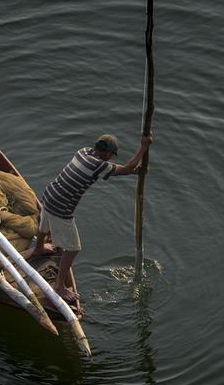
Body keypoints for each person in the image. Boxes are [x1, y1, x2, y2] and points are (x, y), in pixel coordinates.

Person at [28, 132, 151, 312]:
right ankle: (60, 286)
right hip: (61, 208)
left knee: (44, 225)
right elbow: (124, 168)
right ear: (107, 153)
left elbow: (121, 170)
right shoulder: (99, 165)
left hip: (49, 196)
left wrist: (137, 172)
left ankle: (39, 247)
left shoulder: (83, 152)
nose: (110, 157)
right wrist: (144, 147)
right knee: (73, 248)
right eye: (111, 154)